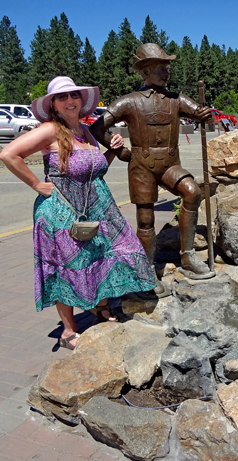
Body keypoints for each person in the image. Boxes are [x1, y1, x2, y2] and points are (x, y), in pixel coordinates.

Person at [0, 76, 156, 350]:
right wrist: (36, 184)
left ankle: (101, 306)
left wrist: (111, 151)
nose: (70, 101)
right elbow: (9, 154)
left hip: (95, 207)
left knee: (106, 257)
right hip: (62, 213)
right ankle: (68, 330)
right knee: (67, 270)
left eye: (74, 95)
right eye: (62, 97)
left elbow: (93, 170)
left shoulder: (83, 131)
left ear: (82, 100)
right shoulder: (50, 130)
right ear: (53, 105)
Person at [90, 43, 216, 297]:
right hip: (142, 167)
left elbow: (203, 115)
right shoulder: (129, 102)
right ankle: (146, 270)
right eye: (160, 68)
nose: (166, 72)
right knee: (145, 220)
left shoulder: (175, 99)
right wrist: (118, 150)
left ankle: (188, 256)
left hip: (170, 164)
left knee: (192, 192)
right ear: (146, 72)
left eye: (166, 67)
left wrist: (203, 113)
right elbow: (96, 128)